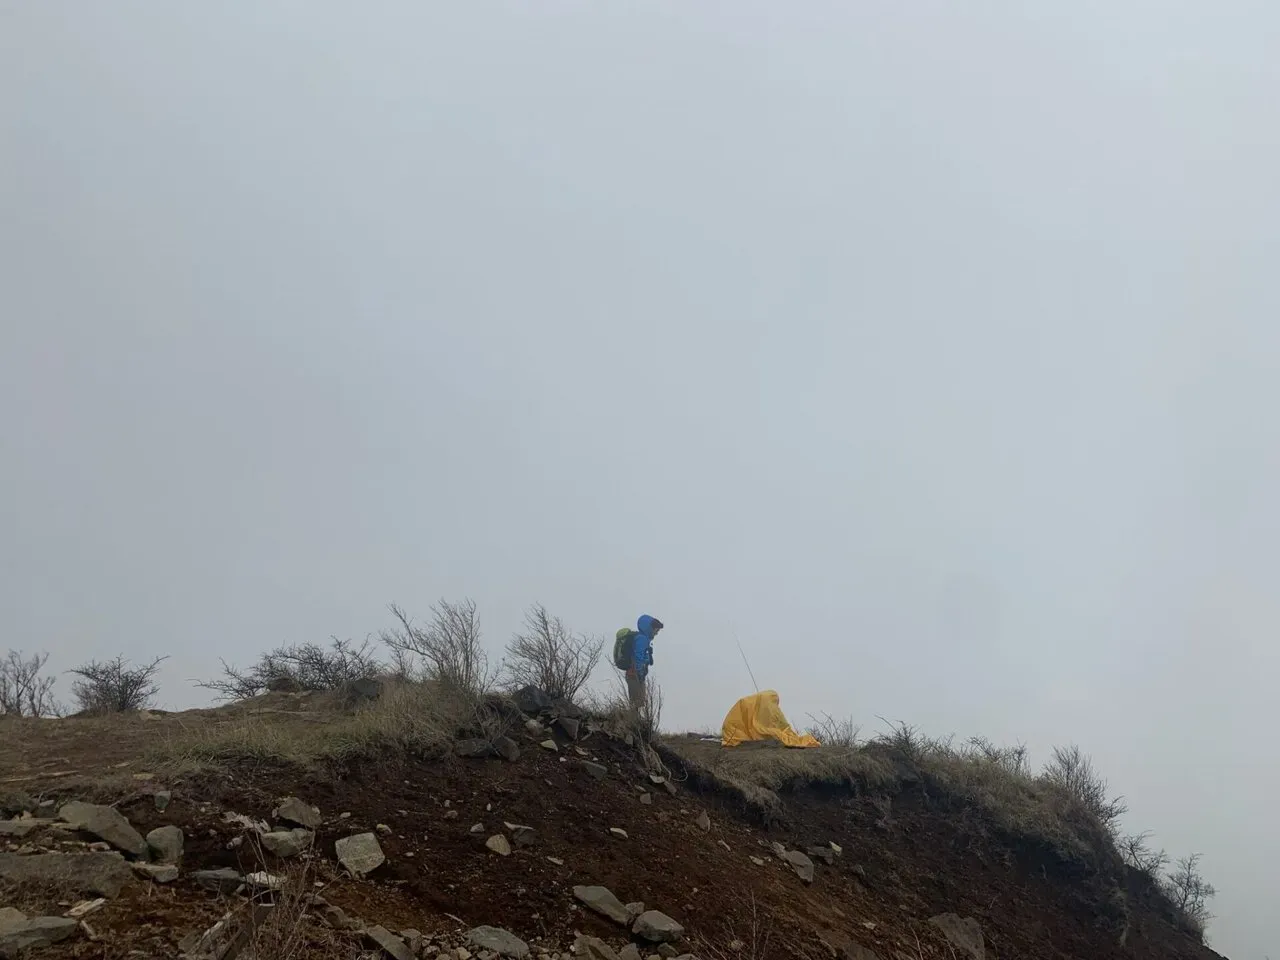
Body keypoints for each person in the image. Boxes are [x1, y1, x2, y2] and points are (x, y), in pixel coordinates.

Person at [625, 614, 663, 709]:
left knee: (639, 702)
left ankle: (634, 721)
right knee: (637, 702)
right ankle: (633, 721)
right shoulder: (642, 639)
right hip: (635, 674)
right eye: (656, 630)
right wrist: (640, 673)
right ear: (651, 628)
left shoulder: (642, 638)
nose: (657, 633)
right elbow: (639, 657)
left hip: (634, 673)